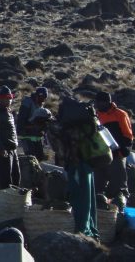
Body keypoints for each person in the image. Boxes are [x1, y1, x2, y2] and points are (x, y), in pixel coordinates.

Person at [49, 98, 100, 237]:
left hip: (75, 165)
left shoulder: (59, 127)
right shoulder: (81, 124)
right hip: (88, 163)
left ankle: (82, 231)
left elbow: (59, 151)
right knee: (90, 200)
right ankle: (93, 232)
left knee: (79, 199)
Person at [95, 91, 133, 212]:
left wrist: (123, 151)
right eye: (98, 102)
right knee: (98, 184)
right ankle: (101, 211)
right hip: (101, 156)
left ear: (108, 101)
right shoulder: (96, 116)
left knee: (118, 185)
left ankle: (120, 211)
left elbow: (128, 135)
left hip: (117, 155)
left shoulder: (120, 114)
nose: (100, 104)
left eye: (102, 102)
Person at [0, 86, 20, 189]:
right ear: (0, 98)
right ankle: (5, 200)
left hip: (13, 149)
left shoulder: (9, 112)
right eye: (6, 98)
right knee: (6, 179)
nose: (9, 100)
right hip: (3, 149)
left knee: (16, 176)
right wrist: (0, 148)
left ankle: (15, 199)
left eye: (10, 98)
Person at [16, 87, 50, 160]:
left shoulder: (39, 103)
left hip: (36, 136)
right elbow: (21, 122)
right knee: (31, 158)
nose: (43, 100)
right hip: (26, 136)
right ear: (38, 96)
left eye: (45, 98)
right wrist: (33, 126)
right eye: (42, 98)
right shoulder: (27, 103)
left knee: (39, 158)